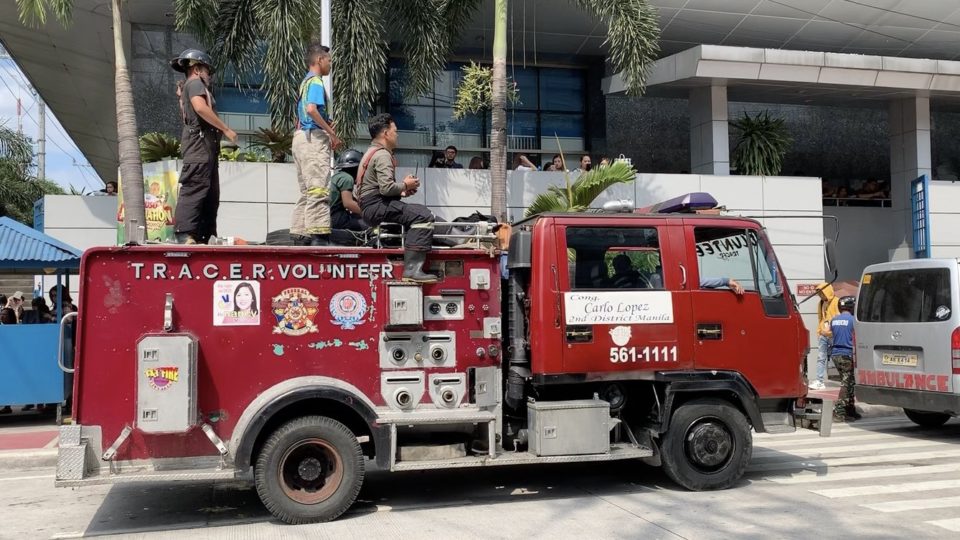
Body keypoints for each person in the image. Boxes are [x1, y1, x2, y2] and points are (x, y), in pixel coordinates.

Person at [357, 113, 438, 283]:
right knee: (422, 215)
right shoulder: (383, 155)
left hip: (371, 206)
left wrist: (401, 192)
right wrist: (406, 185)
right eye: (395, 131)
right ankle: (412, 270)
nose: (397, 134)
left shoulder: (372, 152)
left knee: (418, 211)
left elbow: (378, 188)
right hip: (376, 206)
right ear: (385, 133)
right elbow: (386, 188)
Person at [171, 49, 238, 245]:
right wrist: (226, 129)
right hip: (199, 146)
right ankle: (184, 233)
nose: (209, 76)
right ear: (198, 69)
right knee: (196, 187)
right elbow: (200, 108)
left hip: (205, 147)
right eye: (208, 71)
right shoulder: (194, 84)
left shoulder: (190, 86)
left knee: (209, 193)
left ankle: (204, 235)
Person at [291, 44, 340, 247]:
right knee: (319, 189)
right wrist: (331, 133)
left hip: (300, 138)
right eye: (328, 60)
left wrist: (325, 123)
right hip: (313, 139)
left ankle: (300, 235)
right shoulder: (317, 82)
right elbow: (311, 110)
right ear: (319, 60)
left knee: (308, 191)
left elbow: (302, 115)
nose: (330, 64)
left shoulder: (304, 82)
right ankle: (319, 238)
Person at [830, 296, 860, 422]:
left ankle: (850, 410)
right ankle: (839, 411)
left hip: (836, 354)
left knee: (850, 382)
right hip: (847, 354)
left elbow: (831, 333)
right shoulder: (853, 320)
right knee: (846, 384)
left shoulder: (834, 320)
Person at [329, 149, 367, 245]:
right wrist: (369, 213)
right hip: (337, 218)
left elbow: (353, 201)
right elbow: (348, 204)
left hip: (331, 216)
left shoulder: (338, 176)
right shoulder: (347, 178)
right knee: (369, 226)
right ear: (356, 168)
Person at [811, 282, 840, 390]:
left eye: (821, 293)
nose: (820, 295)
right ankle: (819, 381)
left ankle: (846, 380)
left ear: (827, 291)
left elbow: (839, 318)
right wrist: (819, 332)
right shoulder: (821, 304)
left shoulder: (837, 302)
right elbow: (820, 319)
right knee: (821, 357)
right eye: (819, 294)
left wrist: (835, 331)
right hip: (824, 335)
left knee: (838, 357)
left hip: (834, 335)